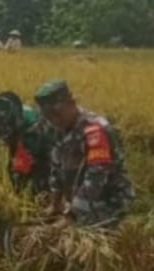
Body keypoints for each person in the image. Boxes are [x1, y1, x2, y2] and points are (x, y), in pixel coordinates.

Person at [33, 79, 135, 229]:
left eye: (57, 114)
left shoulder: (94, 129)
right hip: (79, 200)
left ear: (72, 103)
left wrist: (72, 216)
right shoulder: (56, 128)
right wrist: (55, 205)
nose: (54, 120)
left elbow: (96, 175)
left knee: (61, 233)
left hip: (109, 199)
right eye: (48, 116)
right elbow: (56, 166)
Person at [0, 91, 55, 195]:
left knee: (36, 185)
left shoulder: (32, 130)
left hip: (48, 148)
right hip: (20, 137)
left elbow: (23, 167)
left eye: (6, 136)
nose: (4, 141)